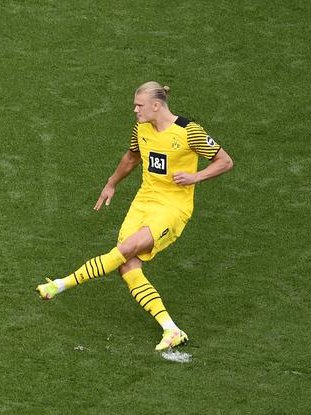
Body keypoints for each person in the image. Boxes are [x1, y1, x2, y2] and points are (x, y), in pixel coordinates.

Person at [36, 81, 234, 351]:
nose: (135, 110)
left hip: (172, 209)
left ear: (156, 105)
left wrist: (195, 177)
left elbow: (225, 161)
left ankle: (60, 285)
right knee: (127, 265)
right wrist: (111, 183)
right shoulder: (141, 129)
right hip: (143, 203)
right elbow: (132, 158)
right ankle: (171, 329)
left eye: (139, 106)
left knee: (125, 249)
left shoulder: (189, 131)